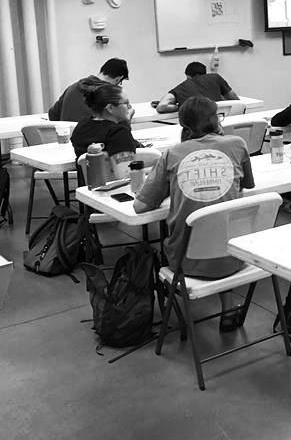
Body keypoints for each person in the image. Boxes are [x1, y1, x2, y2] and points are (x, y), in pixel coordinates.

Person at [134, 97, 255, 331]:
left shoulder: (172, 154)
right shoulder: (237, 144)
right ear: (216, 121)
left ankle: (175, 311)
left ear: (184, 127)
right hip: (236, 255)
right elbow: (247, 184)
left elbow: (140, 207)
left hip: (187, 261)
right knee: (219, 226)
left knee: (197, 230)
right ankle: (228, 308)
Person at [69, 84, 140, 176]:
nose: (130, 107)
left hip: (87, 187)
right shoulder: (118, 133)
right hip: (118, 189)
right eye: (126, 103)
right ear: (110, 108)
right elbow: (125, 174)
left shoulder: (82, 126)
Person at [48, 57, 129, 122]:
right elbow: (120, 124)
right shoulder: (110, 94)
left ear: (102, 71)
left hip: (69, 139)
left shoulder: (73, 87)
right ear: (118, 79)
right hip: (95, 140)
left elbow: (53, 115)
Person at [156, 62, 239, 114]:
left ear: (188, 76)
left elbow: (161, 107)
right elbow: (235, 98)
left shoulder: (181, 88)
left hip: (197, 129)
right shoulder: (216, 77)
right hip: (219, 122)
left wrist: (182, 106)